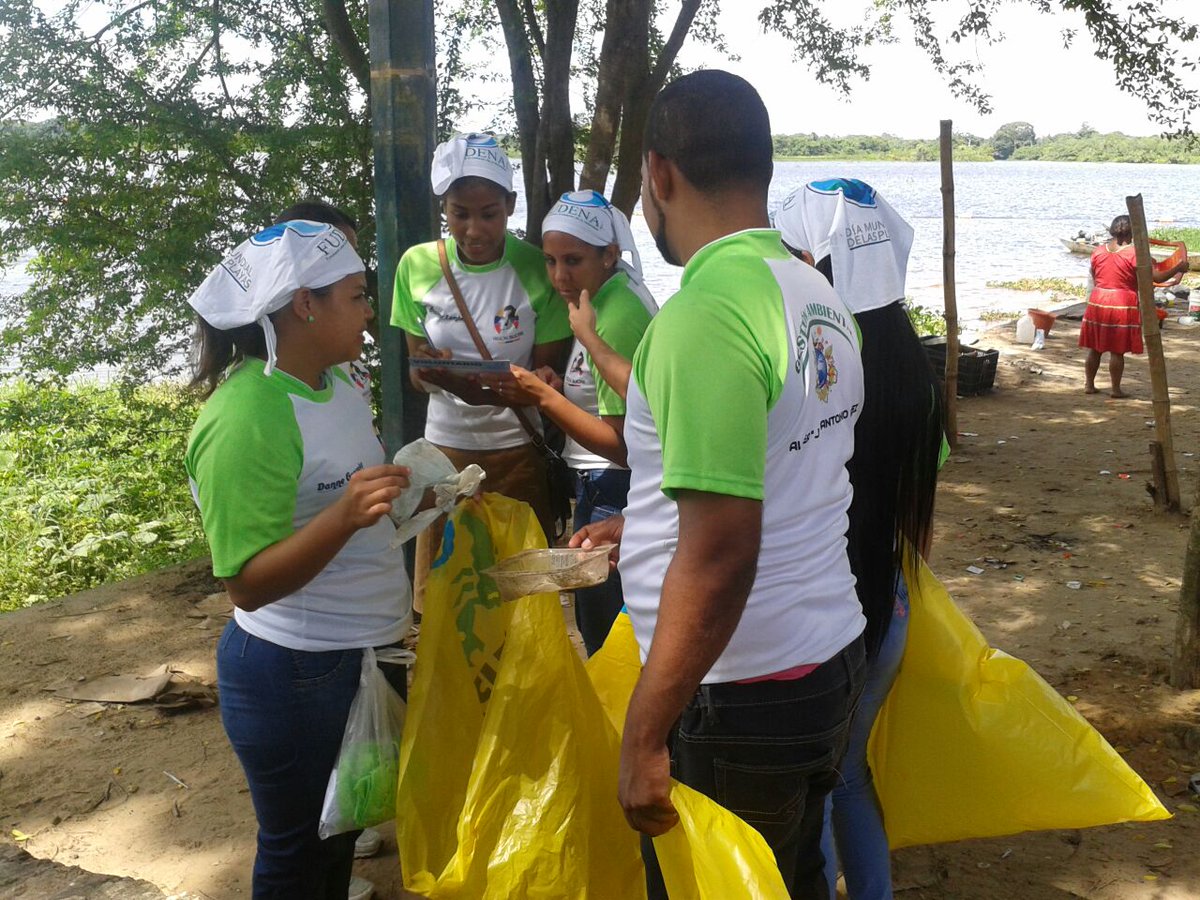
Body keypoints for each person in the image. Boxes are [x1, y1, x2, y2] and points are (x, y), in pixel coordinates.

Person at [572, 70, 867, 899]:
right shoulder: (815, 295)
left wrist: (642, 730)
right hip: (824, 655)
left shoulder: (700, 317)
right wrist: (646, 525)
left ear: (658, 177)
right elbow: (788, 469)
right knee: (792, 877)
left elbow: (724, 549)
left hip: (737, 691)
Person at [185, 221, 415, 900]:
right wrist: (346, 514)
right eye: (355, 295)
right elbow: (247, 584)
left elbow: (347, 499)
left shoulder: (336, 381)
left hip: (359, 660)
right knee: (296, 856)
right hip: (296, 675)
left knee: (337, 839)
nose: (369, 310)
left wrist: (411, 498)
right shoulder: (248, 415)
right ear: (305, 306)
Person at [778, 178, 946, 900]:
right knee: (850, 777)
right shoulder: (914, 369)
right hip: (890, 607)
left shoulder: (820, 365)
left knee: (811, 793)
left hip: (829, 616)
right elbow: (913, 515)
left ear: (817, 263)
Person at [390, 133, 572, 610]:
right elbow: (416, 372)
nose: (473, 229)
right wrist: (434, 370)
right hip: (444, 456)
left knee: (523, 600)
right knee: (447, 598)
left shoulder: (536, 268)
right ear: (443, 209)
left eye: (488, 213)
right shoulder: (416, 265)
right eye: (459, 213)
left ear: (510, 206)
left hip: (517, 452)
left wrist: (538, 383)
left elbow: (547, 372)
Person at [501, 189, 656, 655]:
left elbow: (626, 442)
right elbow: (602, 393)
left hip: (614, 485)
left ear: (610, 254)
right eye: (549, 261)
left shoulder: (613, 316)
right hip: (601, 483)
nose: (558, 277)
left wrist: (544, 398)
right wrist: (560, 385)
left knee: (608, 634)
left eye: (573, 260)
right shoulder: (602, 299)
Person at [1080, 214, 1187, 397]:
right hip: (1122, 302)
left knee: (1095, 347)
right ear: (1133, 233)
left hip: (1098, 301)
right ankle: (1115, 389)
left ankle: (1089, 384)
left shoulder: (1098, 251)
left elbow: (1095, 274)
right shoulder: (1134, 253)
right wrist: (1178, 267)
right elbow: (1157, 277)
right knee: (1117, 350)